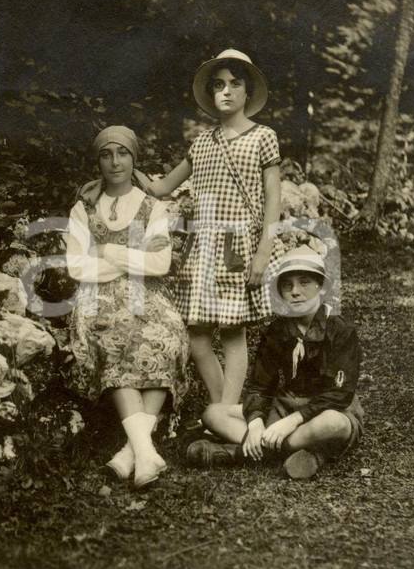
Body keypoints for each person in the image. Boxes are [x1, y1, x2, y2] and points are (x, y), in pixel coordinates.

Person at [81, 49, 282, 421]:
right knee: (197, 336)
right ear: (211, 93)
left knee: (232, 333)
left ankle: (223, 412)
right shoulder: (203, 142)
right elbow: (160, 188)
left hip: (238, 245)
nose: (226, 91)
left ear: (247, 92)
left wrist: (263, 252)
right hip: (201, 247)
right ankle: (226, 410)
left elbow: (273, 201)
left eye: (235, 84)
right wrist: (102, 180)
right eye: (218, 85)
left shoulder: (263, 138)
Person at [65, 125, 190, 489]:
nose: (115, 161)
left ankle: (132, 453)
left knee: (165, 337)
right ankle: (145, 451)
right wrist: (134, 257)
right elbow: (77, 267)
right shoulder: (82, 208)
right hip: (97, 300)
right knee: (118, 337)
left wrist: (107, 252)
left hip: (147, 295)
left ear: (134, 158)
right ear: (98, 161)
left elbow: (160, 265)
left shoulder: (152, 206)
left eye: (122, 153)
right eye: (106, 154)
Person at [187, 247, 365, 479]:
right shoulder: (276, 331)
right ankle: (298, 451)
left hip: (327, 410)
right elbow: (260, 386)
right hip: (286, 404)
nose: (295, 292)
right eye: (287, 285)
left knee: (334, 425)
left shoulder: (341, 331)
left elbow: (340, 395)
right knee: (213, 414)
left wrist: (292, 422)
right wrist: (255, 424)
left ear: (321, 288)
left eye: (304, 283)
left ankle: (240, 453)